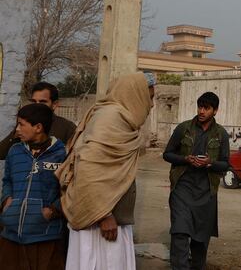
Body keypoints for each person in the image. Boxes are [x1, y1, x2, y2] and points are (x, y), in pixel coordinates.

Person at [56, 72, 156, 270]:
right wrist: (103, 215)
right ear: (134, 94)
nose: (151, 104)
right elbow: (88, 169)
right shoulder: (109, 119)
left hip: (112, 219)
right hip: (100, 222)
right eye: (150, 97)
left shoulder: (122, 120)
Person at [163, 91, 230, 270]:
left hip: (206, 192)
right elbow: (167, 154)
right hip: (182, 189)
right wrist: (185, 159)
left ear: (215, 111)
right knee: (179, 232)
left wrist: (210, 163)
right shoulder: (183, 129)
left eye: (206, 108)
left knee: (200, 241)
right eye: (200, 107)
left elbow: (225, 164)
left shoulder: (221, 134)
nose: (201, 111)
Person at [0, 103, 67, 269]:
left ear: (38, 127)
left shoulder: (62, 155)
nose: (17, 129)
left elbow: (69, 190)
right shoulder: (14, 151)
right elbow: (7, 180)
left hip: (45, 236)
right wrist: (7, 201)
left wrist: (51, 211)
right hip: (11, 235)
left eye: (21, 124)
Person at [0, 82, 76, 160]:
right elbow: (2, 154)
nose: (37, 105)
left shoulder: (67, 127)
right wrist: (15, 135)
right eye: (34, 101)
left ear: (54, 104)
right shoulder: (25, 124)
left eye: (42, 102)